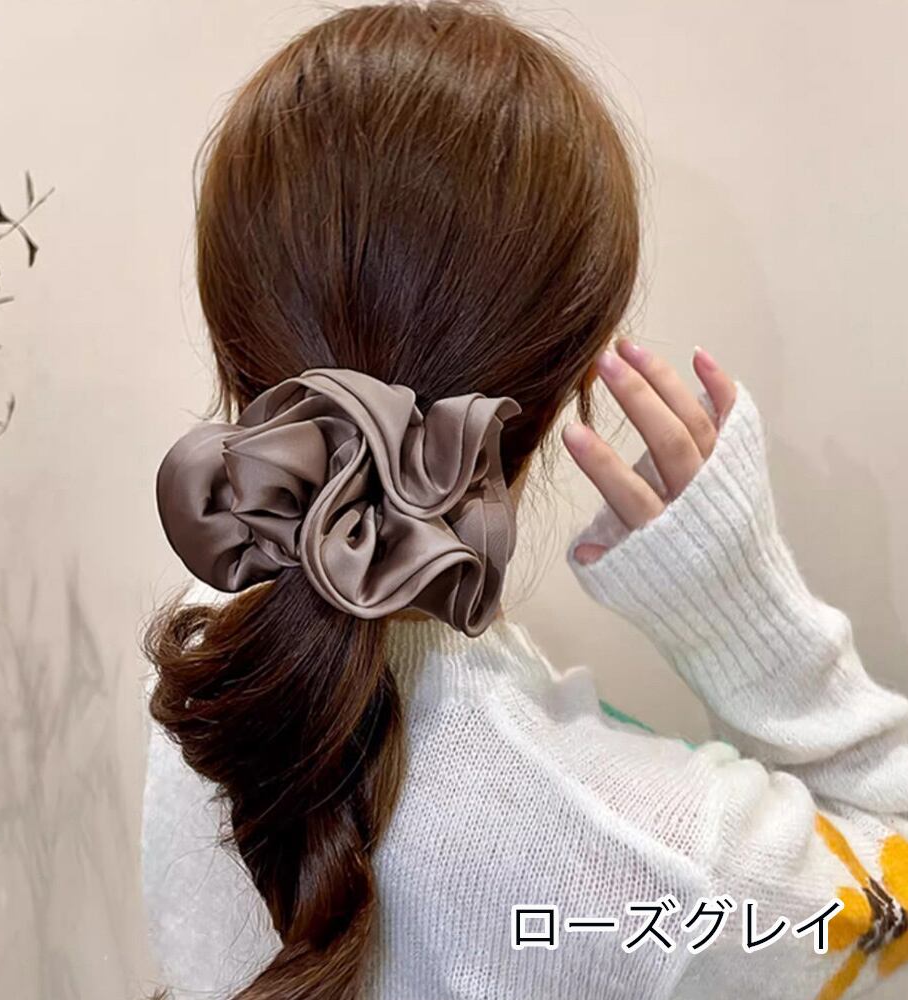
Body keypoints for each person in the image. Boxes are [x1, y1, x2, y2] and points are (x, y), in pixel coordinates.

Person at [139, 2, 908, 998]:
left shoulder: (204, 668)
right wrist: (749, 622)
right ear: (570, 387)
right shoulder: (655, 862)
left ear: (238, 349)